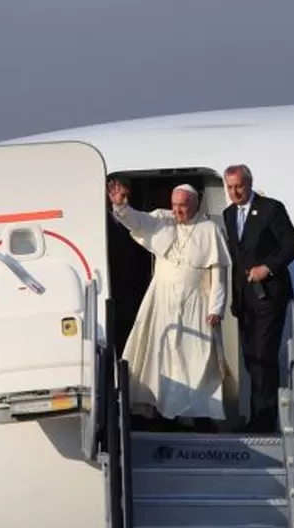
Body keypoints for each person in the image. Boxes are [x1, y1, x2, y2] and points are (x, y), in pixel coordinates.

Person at [107, 178, 232, 431]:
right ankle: (163, 415)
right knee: (162, 358)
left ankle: (200, 416)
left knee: (196, 360)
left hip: (196, 304)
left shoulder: (209, 230)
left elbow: (219, 274)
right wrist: (121, 207)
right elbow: (138, 222)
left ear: (195, 204)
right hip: (162, 302)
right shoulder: (163, 219)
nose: (177, 211)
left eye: (182, 206)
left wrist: (216, 309)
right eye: (174, 205)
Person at [222, 164, 294, 433]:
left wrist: (266, 268)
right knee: (250, 359)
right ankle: (257, 416)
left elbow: (293, 244)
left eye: (239, 186)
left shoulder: (271, 209)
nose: (234, 192)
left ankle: (265, 421)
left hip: (269, 296)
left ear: (249, 183)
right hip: (245, 301)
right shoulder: (228, 214)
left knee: (264, 356)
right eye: (230, 187)